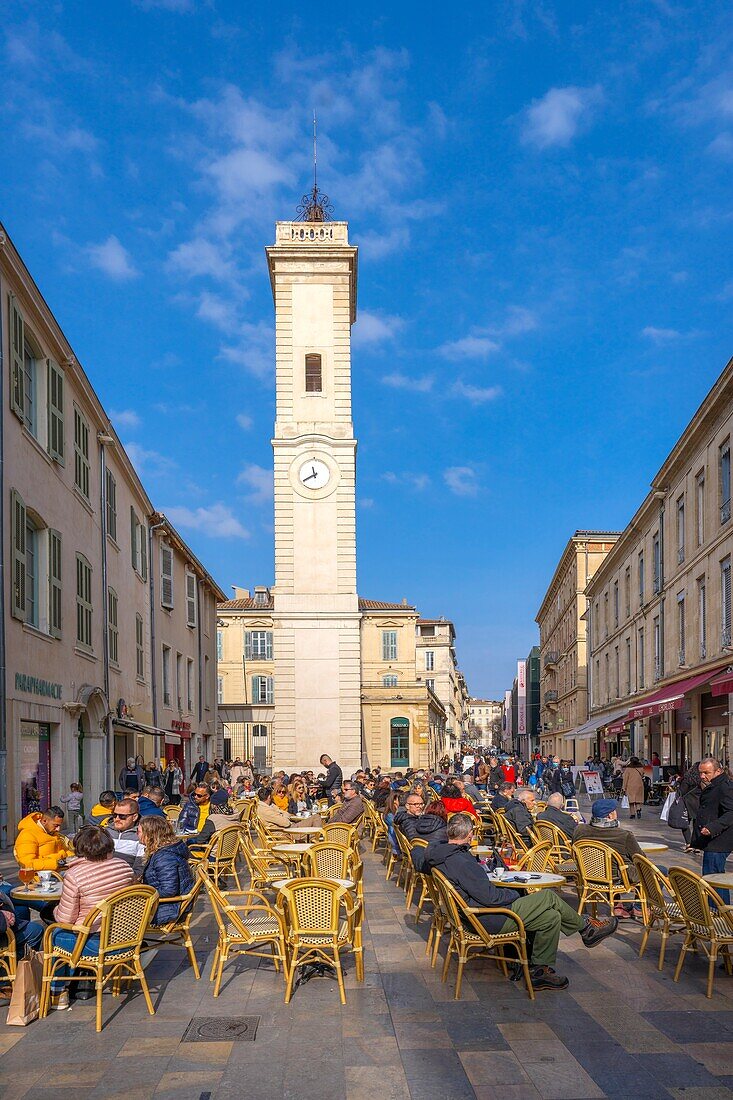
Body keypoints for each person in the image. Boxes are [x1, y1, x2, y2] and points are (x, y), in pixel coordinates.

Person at [413, 813, 617, 991]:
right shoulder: (461, 861)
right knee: (548, 897)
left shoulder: (440, 854)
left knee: (551, 917)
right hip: (488, 919)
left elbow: (417, 855)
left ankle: (540, 971)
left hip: (474, 915)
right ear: (469, 835)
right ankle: (586, 928)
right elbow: (491, 898)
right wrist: (515, 894)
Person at [49, 825, 134, 1009]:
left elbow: (65, 920)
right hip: (126, 940)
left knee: (53, 934)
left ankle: (57, 993)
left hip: (95, 944)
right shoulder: (124, 867)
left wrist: (54, 911)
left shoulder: (75, 875)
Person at [573, 798, 643, 917]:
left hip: (589, 875)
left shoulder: (580, 830)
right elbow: (641, 859)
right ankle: (639, 907)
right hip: (616, 878)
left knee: (610, 866)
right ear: (610, 815)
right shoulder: (623, 835)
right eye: (615, 811)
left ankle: (617, 904)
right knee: (655, 871)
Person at [138, 816, 194, 924]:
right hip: (168, 906)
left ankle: (133, 940)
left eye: (139, 831)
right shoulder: (167, 851)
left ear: (150, 835)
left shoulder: (164, 858)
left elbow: (169, 890)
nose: (137, 835)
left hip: (169, 909)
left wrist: (142, 893)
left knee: (119, 917)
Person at [693, 757, 733, 903]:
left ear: (718, 771)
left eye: (706, 772)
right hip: (712, 838)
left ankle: (718, 911)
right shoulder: (714, 784)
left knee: (713, 876)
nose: (702, 776)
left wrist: (712, 827)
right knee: (712, 876)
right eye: (700, 773)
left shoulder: (725, 786)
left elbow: (731, 812)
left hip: (719, 839)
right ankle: (717, 910)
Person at [14, 806, 73, 871]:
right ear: (44, 821)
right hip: (44, 875)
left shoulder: (52, 832)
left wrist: (74, 858)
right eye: (56, 825)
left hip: (61, 870)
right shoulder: (27, 835)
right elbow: (26, 864)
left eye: (59, 826)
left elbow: (66, 851)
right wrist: (57, 863)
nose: (58, 829)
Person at [106, 798, 145, 871]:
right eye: (114, 815)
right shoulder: (106, 832)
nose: (117, 819)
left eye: (122, 816)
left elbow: (140, 867)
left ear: (134, 817)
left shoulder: (141, 835)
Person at [676, 761, 702, 851]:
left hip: (688, 803)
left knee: (685, 823)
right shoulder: (703, 779)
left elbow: (681, 791)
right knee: (697, 824)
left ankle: (689, 843)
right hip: (700, 803)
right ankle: (697, 844)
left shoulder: (688, 778)